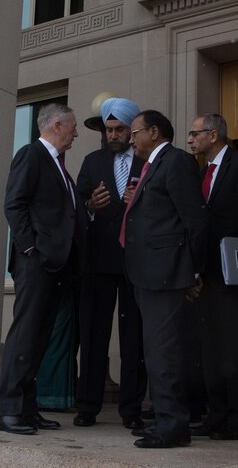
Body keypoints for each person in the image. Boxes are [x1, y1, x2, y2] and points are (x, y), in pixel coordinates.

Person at [0, 103, 88, 435]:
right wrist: (30, 247)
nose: (76, 133)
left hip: (57, 266)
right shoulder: (31, 155)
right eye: (73, 127)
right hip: (36, 262)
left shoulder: (58, 165)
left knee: (38, 340)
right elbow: (14, 203)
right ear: (58, 126)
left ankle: (27, 409)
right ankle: (8, 411)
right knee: (24, 336)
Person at [122, 109, 208, 448]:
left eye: (135, 133)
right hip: (147, 274)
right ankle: (164, 419)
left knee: (164, 353)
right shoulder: (151, 166)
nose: (131, 140)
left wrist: (195, 271)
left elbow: (195, 221)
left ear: (154, 132)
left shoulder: (176, 162)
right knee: (156, 352)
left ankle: (173, 426)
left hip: (166, 274)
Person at [74, 97, 147, 430]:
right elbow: (77, 209)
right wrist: (90, 204)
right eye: (109, 129)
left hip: (135, 262)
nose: (114, 135)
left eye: (120, 129)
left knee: (134, 336)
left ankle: (131, 408)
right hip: (98, 261)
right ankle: (87, 405)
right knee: (93, 334)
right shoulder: (91, 161)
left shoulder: (148, 161)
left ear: (132, 130)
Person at [186, 113, 238, 441]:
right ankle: (217, 414)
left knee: (234, 348)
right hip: (208, 277)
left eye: (194, 133)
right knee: (211, 349)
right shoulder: (201, 173)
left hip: (236, 276)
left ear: (213, 135)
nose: (190, 139)